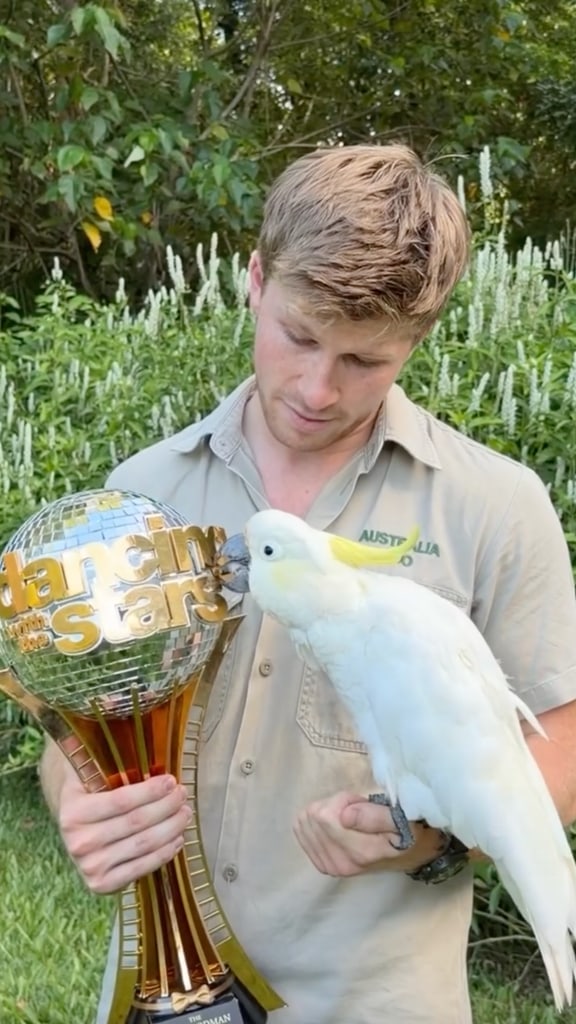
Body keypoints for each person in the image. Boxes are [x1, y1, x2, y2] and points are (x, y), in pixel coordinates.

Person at [39, 144, 576, 1024]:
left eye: (365, 362)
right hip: (160, 991)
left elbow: (557, 752)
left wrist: (425, 840)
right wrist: (82, 802)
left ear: (419, 337)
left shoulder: (497, 509)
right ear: (254, 278)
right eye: (299, 337)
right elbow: (86, 720)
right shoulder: (141, 494)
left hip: (373, 1001)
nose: (320, 388)